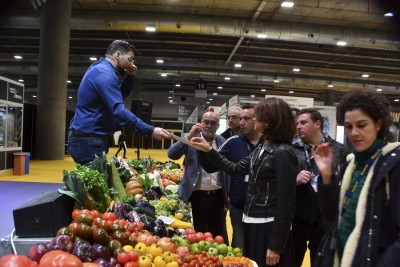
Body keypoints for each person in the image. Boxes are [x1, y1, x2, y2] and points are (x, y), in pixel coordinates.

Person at [191, 98, 298, 267]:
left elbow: (287, 204)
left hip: (268, 226)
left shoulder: (283, 152)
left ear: (271, 121)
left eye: (259, 116)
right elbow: (234, 169)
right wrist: (209, 150)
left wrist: (276, 246)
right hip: (252, 220)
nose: (254, 119)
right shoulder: (262, 149)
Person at [312, 91, 400, 267]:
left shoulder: (394, 165)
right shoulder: (349, 167)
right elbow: (331, 215)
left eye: (361, 125)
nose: (354, 133)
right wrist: (327, 176)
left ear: (378, 124)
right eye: (348, 126)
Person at [68, 40, 171, 165]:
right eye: (130, 59)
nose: (131, 64)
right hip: (88, 141)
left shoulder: (101, 69)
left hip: (89, 140)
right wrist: (150, 130)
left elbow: (118, 96)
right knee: (95, 183)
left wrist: (130, 77)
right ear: (118, 55)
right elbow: (118, 110)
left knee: (96, 182)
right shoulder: (105, 74)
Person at [199, 105, 263, 251]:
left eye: (246, 118)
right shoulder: (233, 142)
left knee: (259, 247)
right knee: (239, 246)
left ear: (256, 120)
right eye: (241, 119)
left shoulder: (267, 143)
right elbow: (211, 166)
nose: (241, 122)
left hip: (262, 208)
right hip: (239, 204)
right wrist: (202, 151)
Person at [291, 108, 350, 267]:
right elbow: (280, 180)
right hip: (297, 219)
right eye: (297, 123)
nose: (298, 127)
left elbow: (348, 180)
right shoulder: (291, 150)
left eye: (303, 122)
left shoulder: (338, 150)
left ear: (318, 124)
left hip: (325, 221)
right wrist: (294, 179)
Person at [167, 111, 228, 238]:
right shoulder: (190, 138)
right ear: (200, 123)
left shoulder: (222, 141)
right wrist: (189, 136)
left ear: (217, 126)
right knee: (197, 233)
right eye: (205, 122)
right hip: (197, 195)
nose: (208, 125)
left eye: (213, 123)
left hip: (218, 195)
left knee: (216, 234)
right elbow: (172, 154)